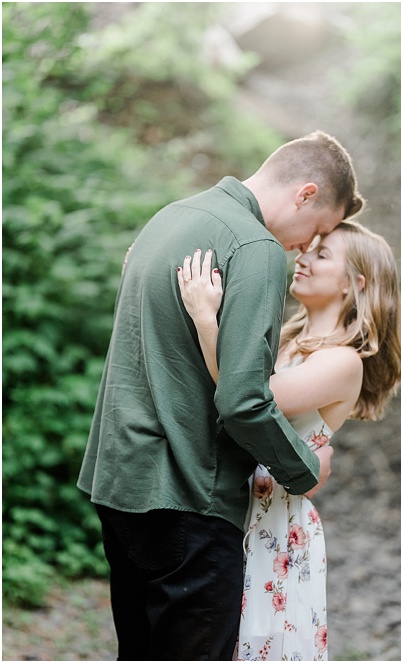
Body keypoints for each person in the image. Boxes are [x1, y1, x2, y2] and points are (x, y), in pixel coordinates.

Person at [77, 131, 364, 660]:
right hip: (190, 494)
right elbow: (243, 399)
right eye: (317, 229)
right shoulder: (255, 248)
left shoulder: (170, 217)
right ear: (305, 194)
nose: (303, 246)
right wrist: (301, 471)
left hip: (120, 481)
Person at [177, 221, 401, 660]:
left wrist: (207, 319)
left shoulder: (343, 362)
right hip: (235, 510)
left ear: (354, 284)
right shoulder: (283, 338)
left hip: (276, 527)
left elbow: (247, 399)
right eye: (308, 251)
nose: (302, 257)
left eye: (321, 255)